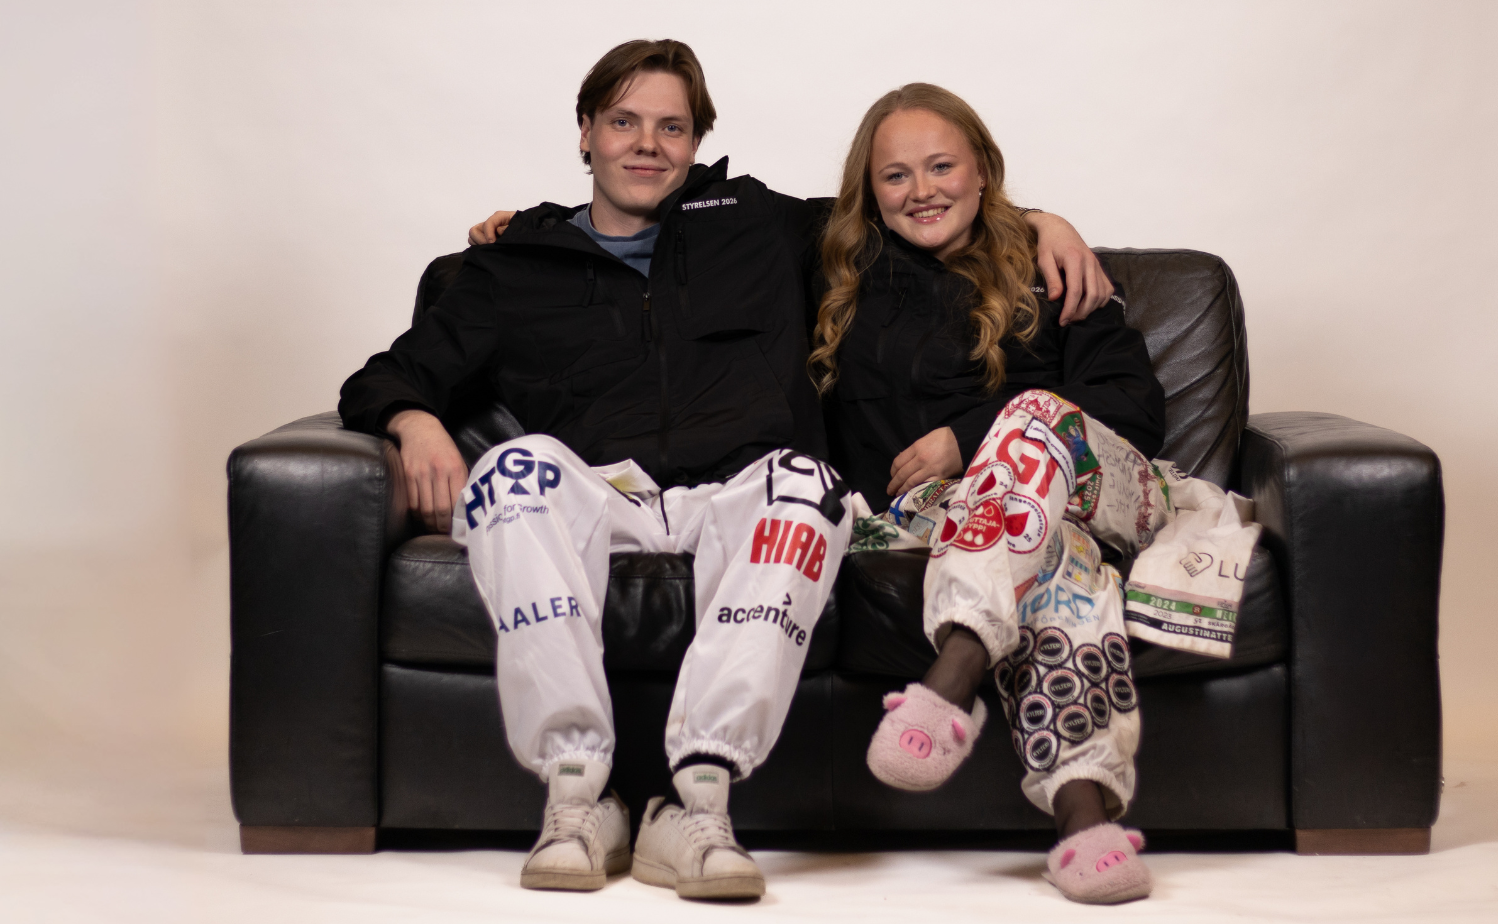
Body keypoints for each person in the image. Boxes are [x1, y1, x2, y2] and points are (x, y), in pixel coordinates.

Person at [353, 40, 1109, 900]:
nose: (648, 144)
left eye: (671, 127)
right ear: (586, 133)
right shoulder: (513, 263)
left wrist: (1040, 222)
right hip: (603, 494)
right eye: (624, 122)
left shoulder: (756, 221)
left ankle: (698, 801)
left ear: (696, 139)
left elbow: (910, 206)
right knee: (508, 471)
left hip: (741, 489)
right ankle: (576, 796)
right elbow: (385, 376)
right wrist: (414, 421)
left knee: (814, 486)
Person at [809, 83, 1171, 904]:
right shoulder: (839, 271)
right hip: (970, 523)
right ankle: (1083, 819)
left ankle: (955, 673)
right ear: (870, 190)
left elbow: (1134, 411)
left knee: (1033, 416)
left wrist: (969, 437)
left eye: (942, 166)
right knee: (1054, 555)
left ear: (983, 171)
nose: (921, 190)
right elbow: (683, 209)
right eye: (896, 175)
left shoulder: (1052, 270)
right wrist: (531, 229)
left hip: (1097, 488)